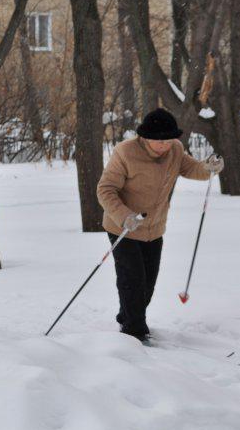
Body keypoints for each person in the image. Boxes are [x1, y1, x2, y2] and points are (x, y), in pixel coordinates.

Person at [96, 108, 224, 342]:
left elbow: (189, 168)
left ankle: (128, 316)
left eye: (169, 139)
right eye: (160, 141)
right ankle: (134, 332)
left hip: (154, 229)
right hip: (123, 228)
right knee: (132, 278)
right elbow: (105, 189)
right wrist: (125, 216)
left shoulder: (175, 149)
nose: (165, 145)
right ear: (145, 137)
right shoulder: (125, 152)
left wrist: (208, 168)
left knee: (147, 284)